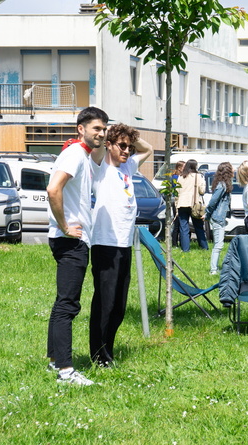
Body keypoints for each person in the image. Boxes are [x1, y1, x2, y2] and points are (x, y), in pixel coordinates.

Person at [46, 106, 108, 386]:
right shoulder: (73, 154)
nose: (102, 133)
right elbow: (53, 189)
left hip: (72, 240)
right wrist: (64, 226)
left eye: (104, 129)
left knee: (63, 303)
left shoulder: (82, 154)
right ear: (81, 128)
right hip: (70, 241)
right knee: (67, 305)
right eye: (97, 128)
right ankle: (66, 371)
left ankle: (54, 361)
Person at [90, 123, 152, 368]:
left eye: (129, 146)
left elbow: (146, 148)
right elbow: (96, 147)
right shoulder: (100, 167)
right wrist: (109, 134)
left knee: (119, 305)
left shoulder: (128, 166)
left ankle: (108, 351)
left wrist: (129, 136)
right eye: (122, 146)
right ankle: (98, 356)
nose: (127, 150)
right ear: (109, 144)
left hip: (124, 244)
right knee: (104, 303)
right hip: (105, 243)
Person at [205, 162, 233, 275]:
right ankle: (213, 270)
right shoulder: (222, 185)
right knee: (219, 245)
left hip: (218, 217)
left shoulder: (222, 184)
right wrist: (207, 214)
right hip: (217, 218)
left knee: (219, 244)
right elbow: (212, 202)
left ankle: (215, 268)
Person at [175, 160, 209, 252]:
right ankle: (204, 247)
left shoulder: (181, 177)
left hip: (182, 204)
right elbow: (202, 191)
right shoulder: (199, 176)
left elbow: (177, 193)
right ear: (195, 166)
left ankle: (185, 249)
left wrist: (176, 206)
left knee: (184, 227)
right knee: (198, 227)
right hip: (194, 204)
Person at [170, 160, 185, 247]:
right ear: (179, 168)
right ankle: (174, 243)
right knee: (177, 222)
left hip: (179, 199)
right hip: (176, 200)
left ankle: (177, 242)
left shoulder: (178, 177)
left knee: (179, 222)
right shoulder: (176, 177)